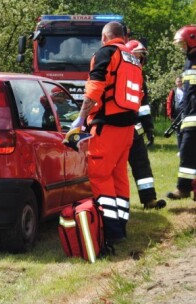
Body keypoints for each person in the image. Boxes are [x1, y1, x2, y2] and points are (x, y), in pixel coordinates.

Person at [67, 22, 143, 243]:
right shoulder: (133, 59)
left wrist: (81, 118)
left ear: (104, 37)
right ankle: (121, 226)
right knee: (119, 176)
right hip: (127, 128)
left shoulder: (106, 53)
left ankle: (110, 231)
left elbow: (95, 88)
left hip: (107, 126)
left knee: (100, 175)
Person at [125, 40, 166, 210]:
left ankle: (149, 200)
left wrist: (148, 128)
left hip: (134, 130)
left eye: (141, 58)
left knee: (142, 164)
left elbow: (144, 107)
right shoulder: (118, 73)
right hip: (117, 128)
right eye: (137, 57)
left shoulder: (139, 77)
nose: (140, 61)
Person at [167, 25, 196, 200]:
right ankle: (186, 189)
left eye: (184, 44)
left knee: (187, 152)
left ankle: (184, 189)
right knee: (187, 153)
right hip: (190, 116)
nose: (182, 48)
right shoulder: (189, 61)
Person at [166, 76, 184, 148]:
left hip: (185, 113)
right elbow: (169, 102)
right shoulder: (173, 91)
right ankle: (180, 149)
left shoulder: (187, 90)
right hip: (176, 114)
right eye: (178, 81)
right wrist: (170, 115)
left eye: (181, 81)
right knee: (178, 132)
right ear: (176, 83)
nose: (179, 83)